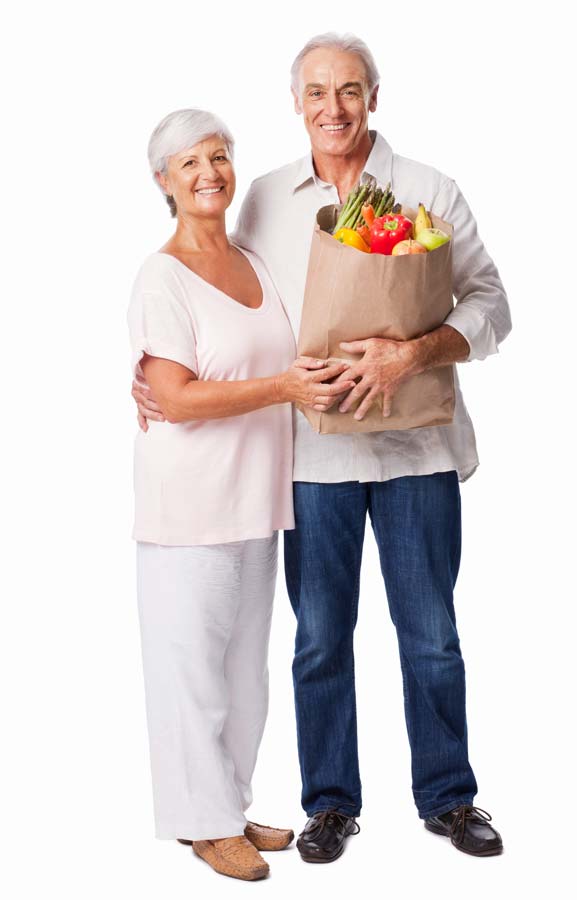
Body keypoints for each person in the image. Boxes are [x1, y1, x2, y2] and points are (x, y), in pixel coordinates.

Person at [134, 33, 511, 861]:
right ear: (296, 104)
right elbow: (232, 309)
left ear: (374, 96)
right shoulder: (265, 199)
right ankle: (330, 802)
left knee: (432, 636)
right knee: (317, 641)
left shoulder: (428, 189)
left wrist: (413, 351)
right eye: (316, 93)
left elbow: (492, 306)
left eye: (349, 90)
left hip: (419, 451)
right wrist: (159, 377)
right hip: (310, 460)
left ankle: (449, 799)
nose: (332, 108)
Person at [128, 108, 355, 881]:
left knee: (243, 673)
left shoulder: (255, 260)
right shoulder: (161, 276)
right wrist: (281, 387)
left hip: (259, 502)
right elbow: (178, 397)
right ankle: (202, 824)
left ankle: (228, 804)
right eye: (188, 164)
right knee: (189, 669)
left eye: (218, 156)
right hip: (189, 507)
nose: (209, 174)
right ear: (164, 182)